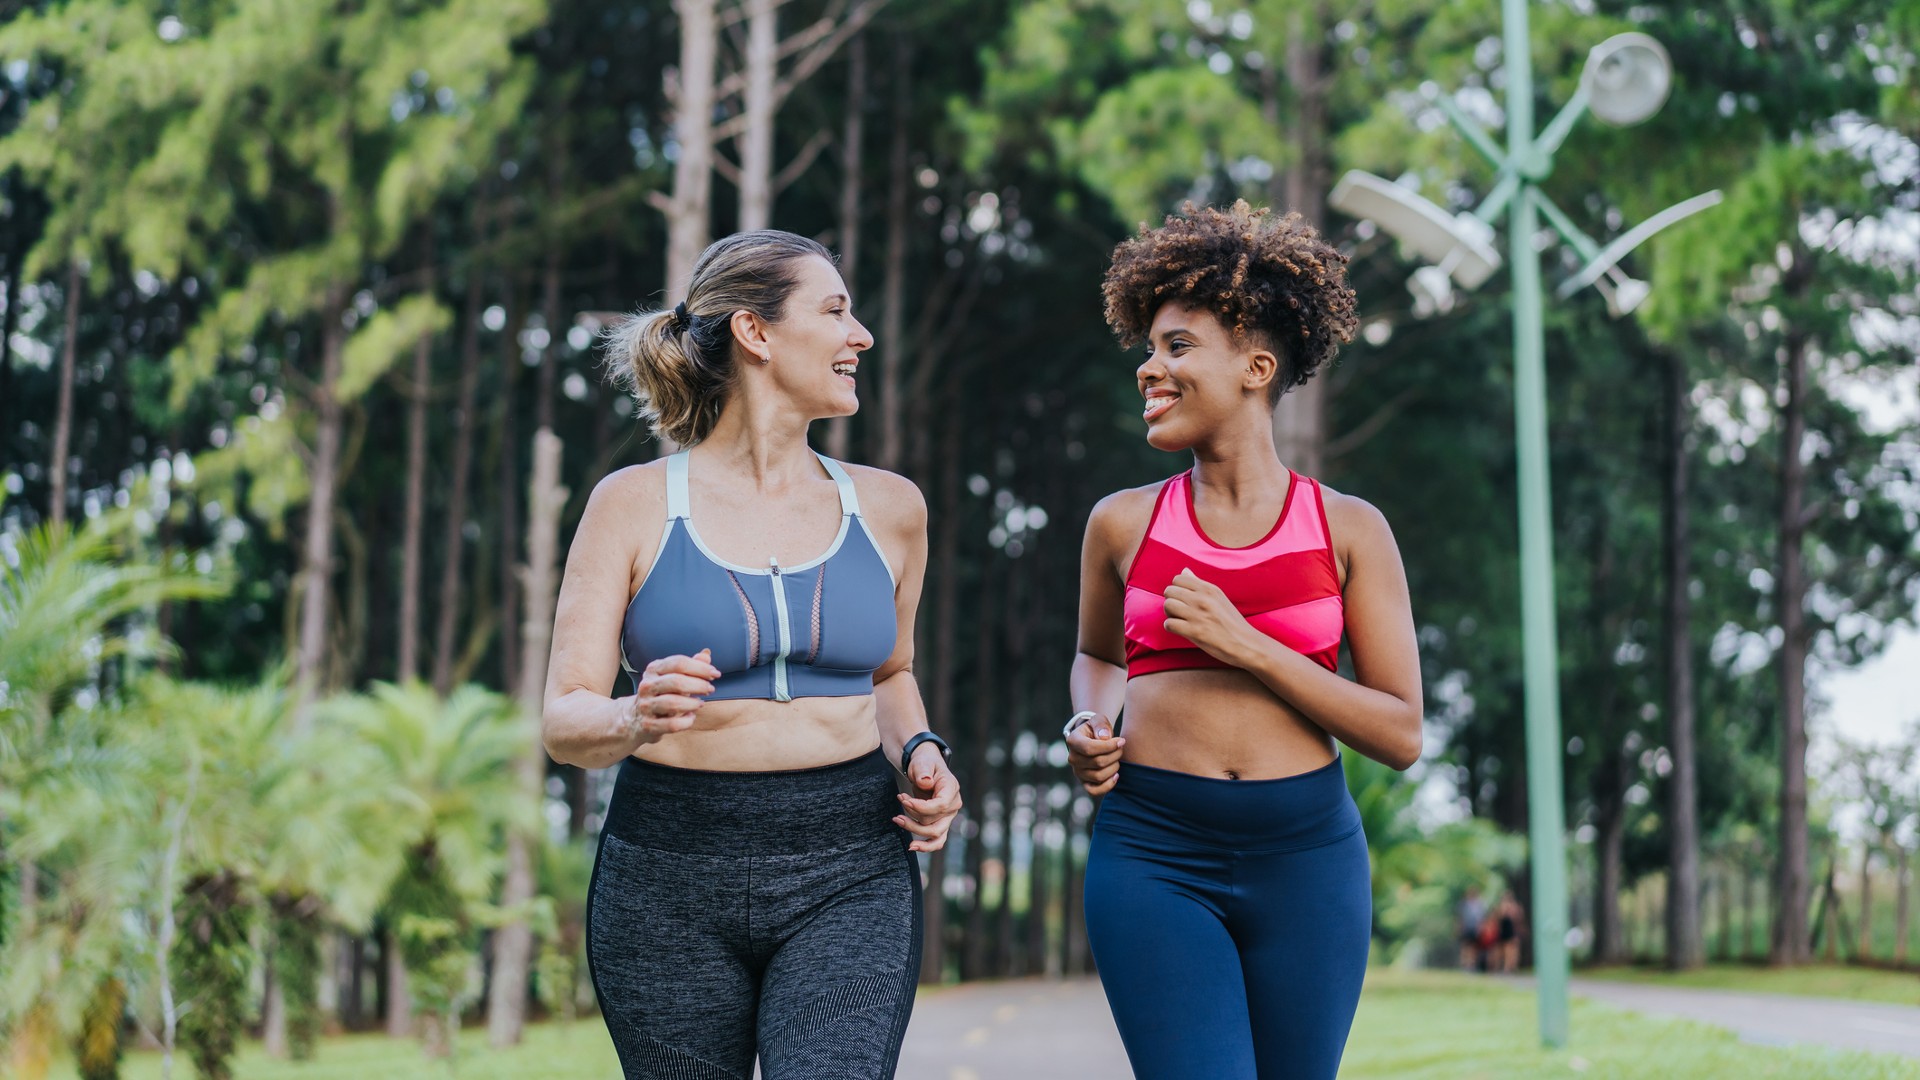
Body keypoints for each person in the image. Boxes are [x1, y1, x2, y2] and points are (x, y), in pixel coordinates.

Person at [541, 230, 963, 1080]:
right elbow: (564, 719)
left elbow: (891, 674)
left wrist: (921, 750)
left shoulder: (891, 509)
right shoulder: (630, 505)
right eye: (836, 311)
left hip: (850, 863)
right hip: (665, 876)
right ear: (755, 333)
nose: (861, 336)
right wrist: (631, 714)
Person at [1064, 201, 1424, 1080]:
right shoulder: (1121, 525)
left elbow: (1400, 733)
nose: (1150, 368)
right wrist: (1087, 725)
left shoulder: (1349, 529)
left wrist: (1251, 646)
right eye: (1148, 348)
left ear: (1256, 367)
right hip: (1152, 849)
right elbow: (1099, 659)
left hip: (1307, 859)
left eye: (1177, 346)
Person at [1457, 885, 1488, 971]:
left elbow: (1482, 918)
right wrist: (1460, 927)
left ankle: (1472, 964)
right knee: (1465, 946)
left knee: (1474, 947)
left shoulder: (1480, 904)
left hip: (1475, 928)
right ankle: (1464, 964)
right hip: (1466, 928)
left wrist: (1481, 927)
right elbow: (1460, 917)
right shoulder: (1463, 904)